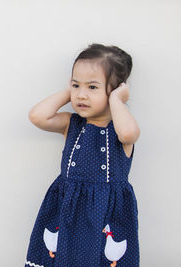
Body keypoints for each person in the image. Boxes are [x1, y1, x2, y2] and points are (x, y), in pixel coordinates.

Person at [24, 43, 140, 267]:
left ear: (117, 90)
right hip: (66, 208)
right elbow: (37, 116)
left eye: (93, 87)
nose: (82, 95)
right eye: (76, 85)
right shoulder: (72, 124)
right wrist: (71, 93)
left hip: (105, 215)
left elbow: (129, 134)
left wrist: (116, 101)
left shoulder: (120, 130)